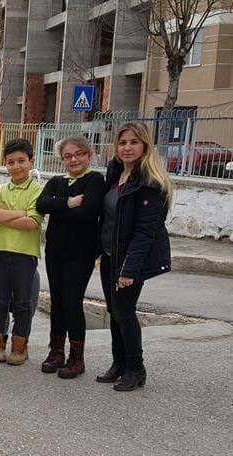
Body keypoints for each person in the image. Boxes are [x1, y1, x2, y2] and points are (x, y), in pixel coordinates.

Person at [97, 122, 172, 392]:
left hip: (129, 260)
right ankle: (118, 364)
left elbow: (145, 232)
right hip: (109, 255)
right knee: (114, 312)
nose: (127, 147)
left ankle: (135, 369)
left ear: (145, 146)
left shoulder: (150, 184)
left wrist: (129, 270)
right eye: (122, 142)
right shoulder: (115, 173)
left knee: (125, 312)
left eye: (133, 142)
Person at [36, 136, 106, 378]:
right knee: (57, 303)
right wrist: (69, 203)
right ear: (61, 159)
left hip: (81, 253)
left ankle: (77, 358)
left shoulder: (95, 180)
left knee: (72, 303)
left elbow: (88, 213)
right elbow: (41, 204)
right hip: (56, 252)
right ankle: (56, 352)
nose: (73, 159)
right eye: (67, 156)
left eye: (79, 154)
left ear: (88, 155)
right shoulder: (57, 181)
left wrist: (59, 207)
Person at [0, 139, 43, 366]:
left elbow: (32, 223)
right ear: (5, 164)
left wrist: (6, 213)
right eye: (11, 162)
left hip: (25, 254)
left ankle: (20, 347)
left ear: (31, 161)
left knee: (22, 302)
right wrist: (20, 213)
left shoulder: (38, 191)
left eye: (21, 161)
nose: (16, 166)